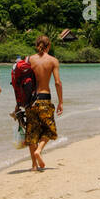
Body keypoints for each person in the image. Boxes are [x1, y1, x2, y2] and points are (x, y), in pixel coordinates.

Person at [25, 34, 62, 171]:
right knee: (49, 129)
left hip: (30, 100)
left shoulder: (28, 60)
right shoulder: (53, 61)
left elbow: (21, 82)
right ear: (49, 46)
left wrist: (19, 102)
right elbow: (57, 83)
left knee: (31, 133)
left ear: (36, 45)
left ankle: (34, 165)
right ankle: (39, 150)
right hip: (45, 97)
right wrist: (60, 102)